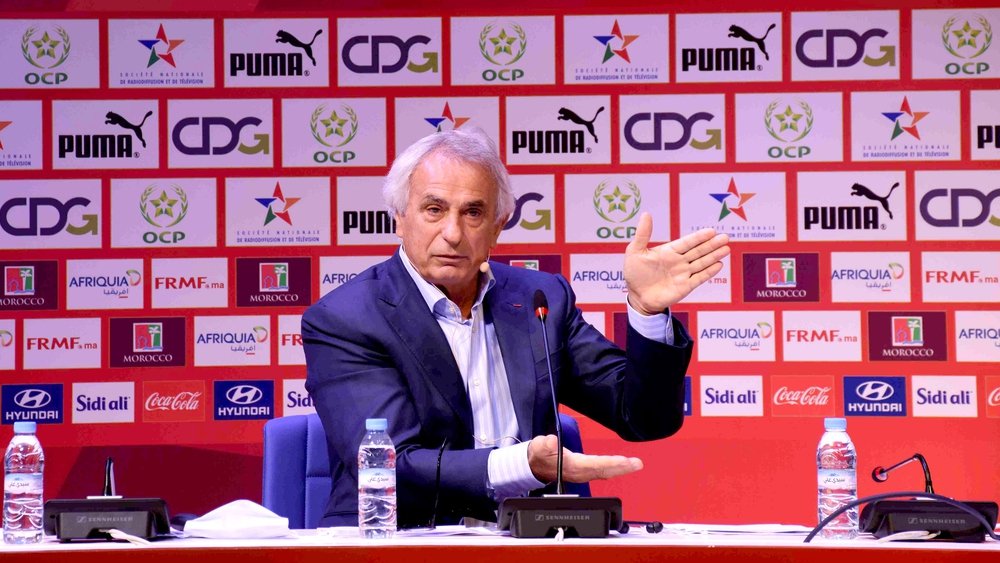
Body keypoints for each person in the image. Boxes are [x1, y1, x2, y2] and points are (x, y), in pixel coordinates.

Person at [302, 128, 729, 528]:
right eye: (434, 210)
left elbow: (644, 418)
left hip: (529, 543)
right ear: (399, 217)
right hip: (399, 544)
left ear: (498, 225)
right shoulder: (347, 318)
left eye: (473, 213)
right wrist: (522, 464)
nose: (452, 233)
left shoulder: (539, 300)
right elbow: (390, 464)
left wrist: (648, 311)